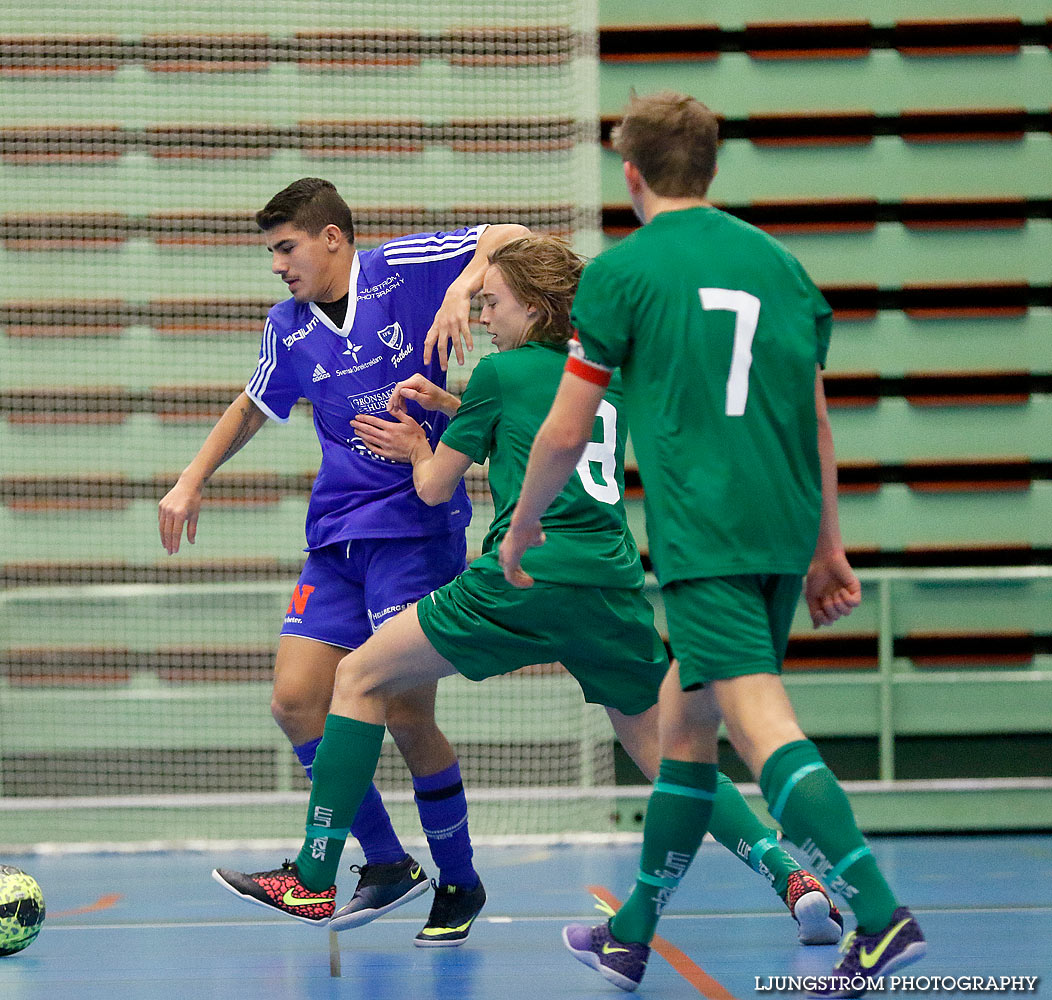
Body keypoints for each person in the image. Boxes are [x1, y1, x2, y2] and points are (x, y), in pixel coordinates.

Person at [211, 235, 842, 950]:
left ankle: (319, 875)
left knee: (357, 676)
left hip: (520, 582)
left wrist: (420, 445)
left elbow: (433, 485)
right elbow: (534, 429)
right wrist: (455, 401)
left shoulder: (502, 374)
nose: (482, 315)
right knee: (672, 755)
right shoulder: (603, 375)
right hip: (609, 588)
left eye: (493, 302)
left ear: (535, 308)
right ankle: (791, 875)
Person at [498, 94, 924, 997]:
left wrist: (527, 517)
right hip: (779, 532)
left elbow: (568, 430)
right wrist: (829, 548)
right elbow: (814, 422)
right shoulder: (783, 267)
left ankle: (882, 917)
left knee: (761, 725)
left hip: (708, 541)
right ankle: (631, 933)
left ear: (632, 174)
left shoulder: (622, 275)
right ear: (714, 169)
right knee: (686, 732)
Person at [161, 177, 528, 941]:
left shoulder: (407, 268)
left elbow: (511, 234)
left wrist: (466, 285)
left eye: (285, 247)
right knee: (296, 700)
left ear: (333, 237)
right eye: (270, 252)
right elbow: (253, 404)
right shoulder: (287, 326)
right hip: (336, 536)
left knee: (402, 709)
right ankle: (388, 861)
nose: (276, 265)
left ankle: (458, 881)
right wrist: (191, 481)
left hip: (415, 528)